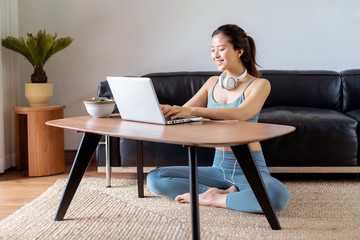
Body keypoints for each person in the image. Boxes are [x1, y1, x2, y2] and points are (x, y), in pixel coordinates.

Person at [146, 24, 289, 213]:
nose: (215, 55)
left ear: (239, 51)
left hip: (248, 167)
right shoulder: (212, 83)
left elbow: (241, 114)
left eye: (221, 49)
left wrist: (195, 112)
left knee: (277, 196)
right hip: (217, 168)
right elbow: (184, 111)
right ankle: (218, 193)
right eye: (212, 50)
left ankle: (215, 198)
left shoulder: (260, 84)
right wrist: (163, 111)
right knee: (155, 179)